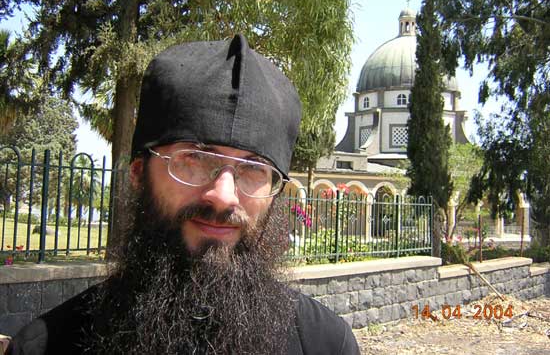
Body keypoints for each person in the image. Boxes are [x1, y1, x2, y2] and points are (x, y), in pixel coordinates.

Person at [7, 34, 360, 354]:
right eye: (195, 159)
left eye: (254, 168)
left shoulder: (327, 345)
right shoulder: (47, 347)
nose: (224, 196)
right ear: (138, 173)